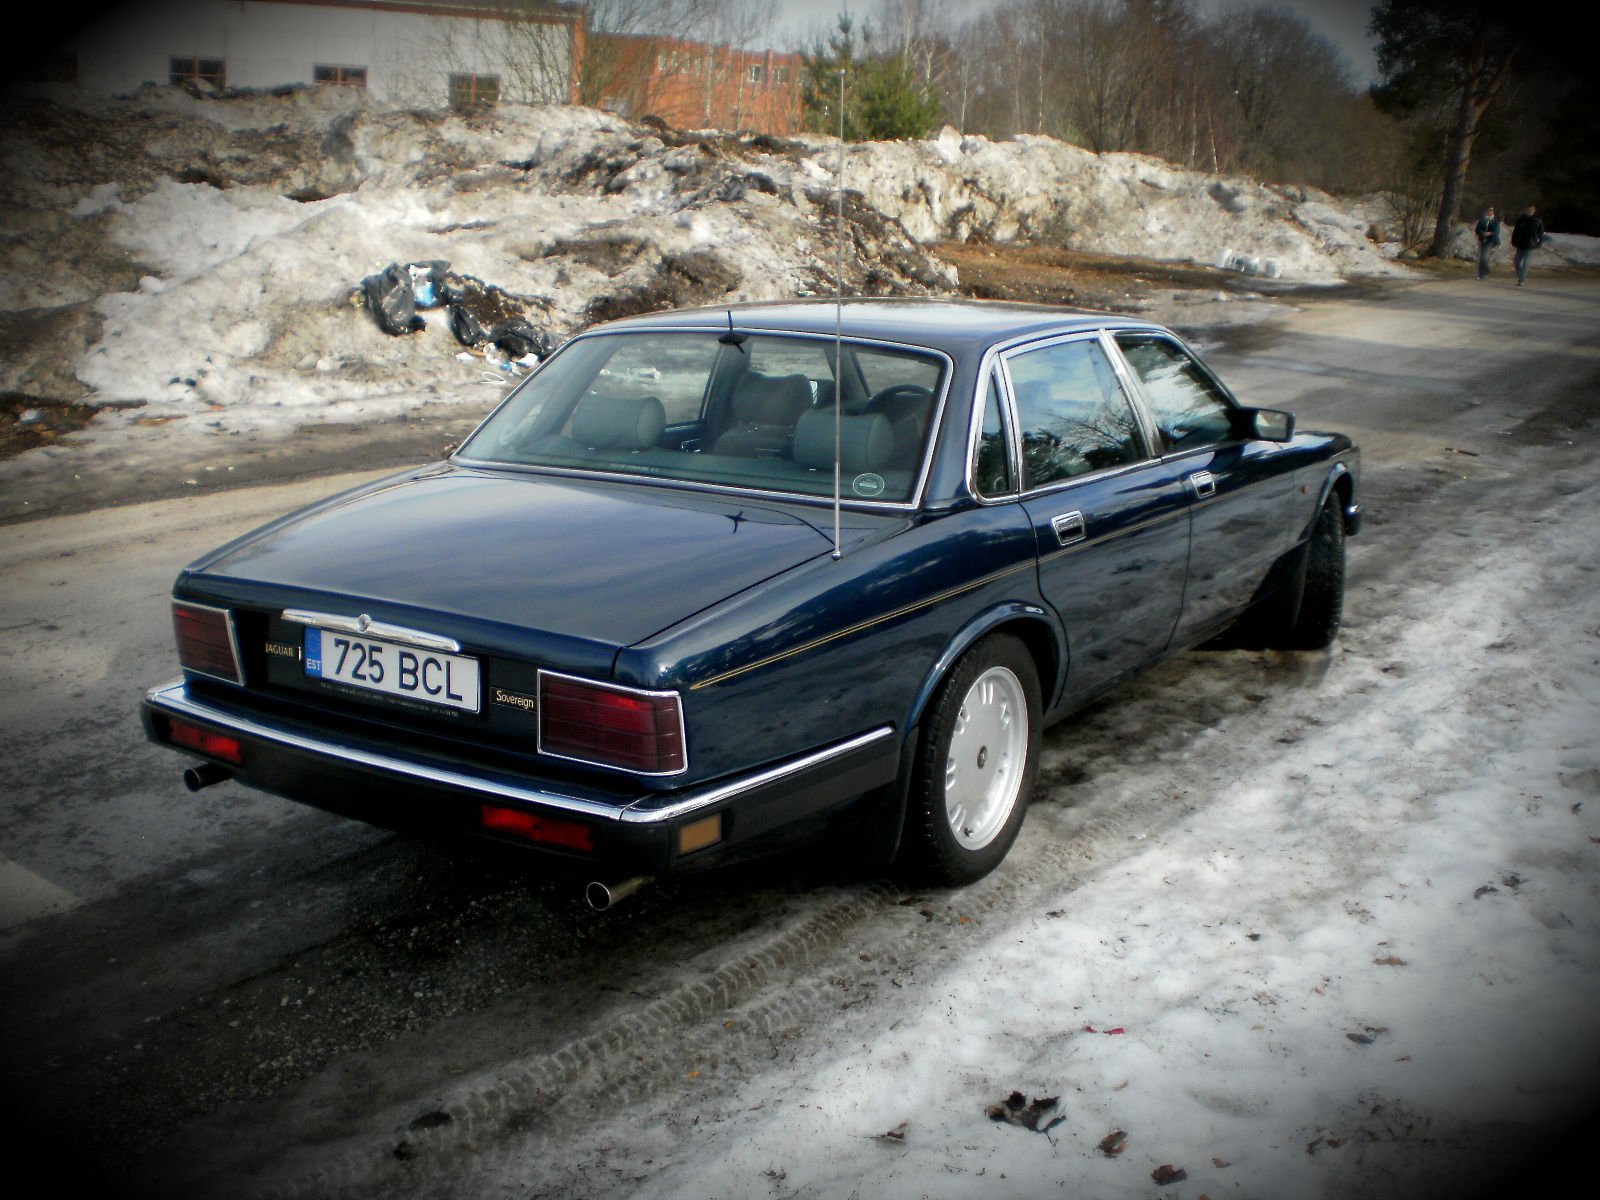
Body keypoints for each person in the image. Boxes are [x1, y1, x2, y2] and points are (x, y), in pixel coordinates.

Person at [1509, 205, 1545, 286]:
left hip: (1530, 245)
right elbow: (1515, 232)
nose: (1530, 211)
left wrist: (1539, 243)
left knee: (1526, 263)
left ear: (1534, 210)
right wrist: (1513, 242)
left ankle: (1521, 280)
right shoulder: (1521, 220)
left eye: (1532, 209)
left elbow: (1541, 234)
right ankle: (1521, 276)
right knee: (1517, 262)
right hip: (1520, 244)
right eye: (1529, 209)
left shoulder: (1537, 221)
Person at [1473, 206, 1500, 279]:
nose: (1490, 212)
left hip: (1490, 241)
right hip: (1482, 240)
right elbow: (1477, 230)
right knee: (1480, 258)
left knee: (1484, 257)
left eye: (1491, 210)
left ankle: (1485, 271)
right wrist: (1482, 233)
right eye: (1488, 210)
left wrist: (1490, 233)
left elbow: (1496, 231)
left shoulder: (1495, 221)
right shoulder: (1482, 220)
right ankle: (1480, 274)